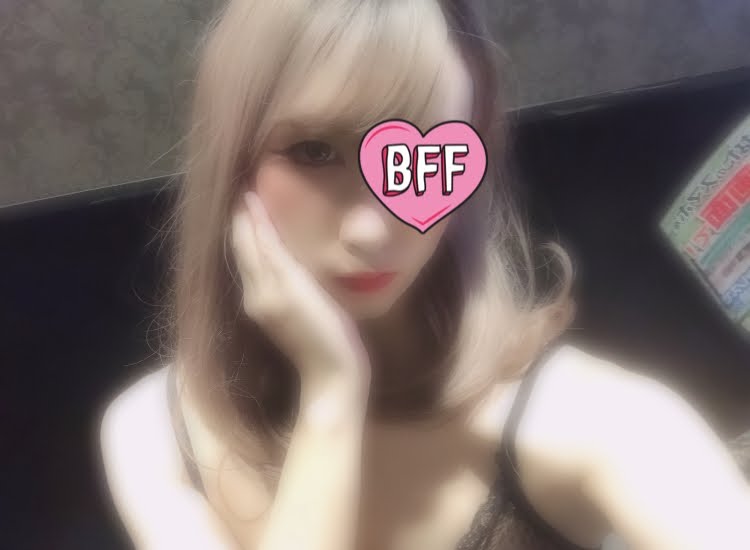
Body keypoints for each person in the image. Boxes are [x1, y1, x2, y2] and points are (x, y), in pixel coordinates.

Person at [98, 1, 750, 549]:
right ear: (231, 164)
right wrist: (332, 397)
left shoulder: (594, 420)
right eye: (314, 151)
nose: (371, 230)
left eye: (422, 160)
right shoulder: (155, 430)